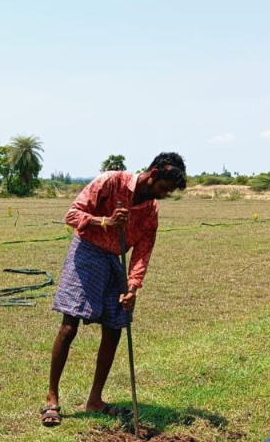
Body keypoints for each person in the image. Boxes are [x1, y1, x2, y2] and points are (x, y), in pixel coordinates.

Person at [41, 152, 187, 426]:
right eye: (164, 188)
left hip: (115, 260)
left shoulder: (150, 211)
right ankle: (51, 400)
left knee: (115, 326)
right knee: (69, 326)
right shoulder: (111, 182)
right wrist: (104, 221)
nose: (165, 195)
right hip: (86, 252)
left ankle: (95, 399)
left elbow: (143, 251)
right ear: (153, 173)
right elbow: (72, 214)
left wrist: (133, 286)